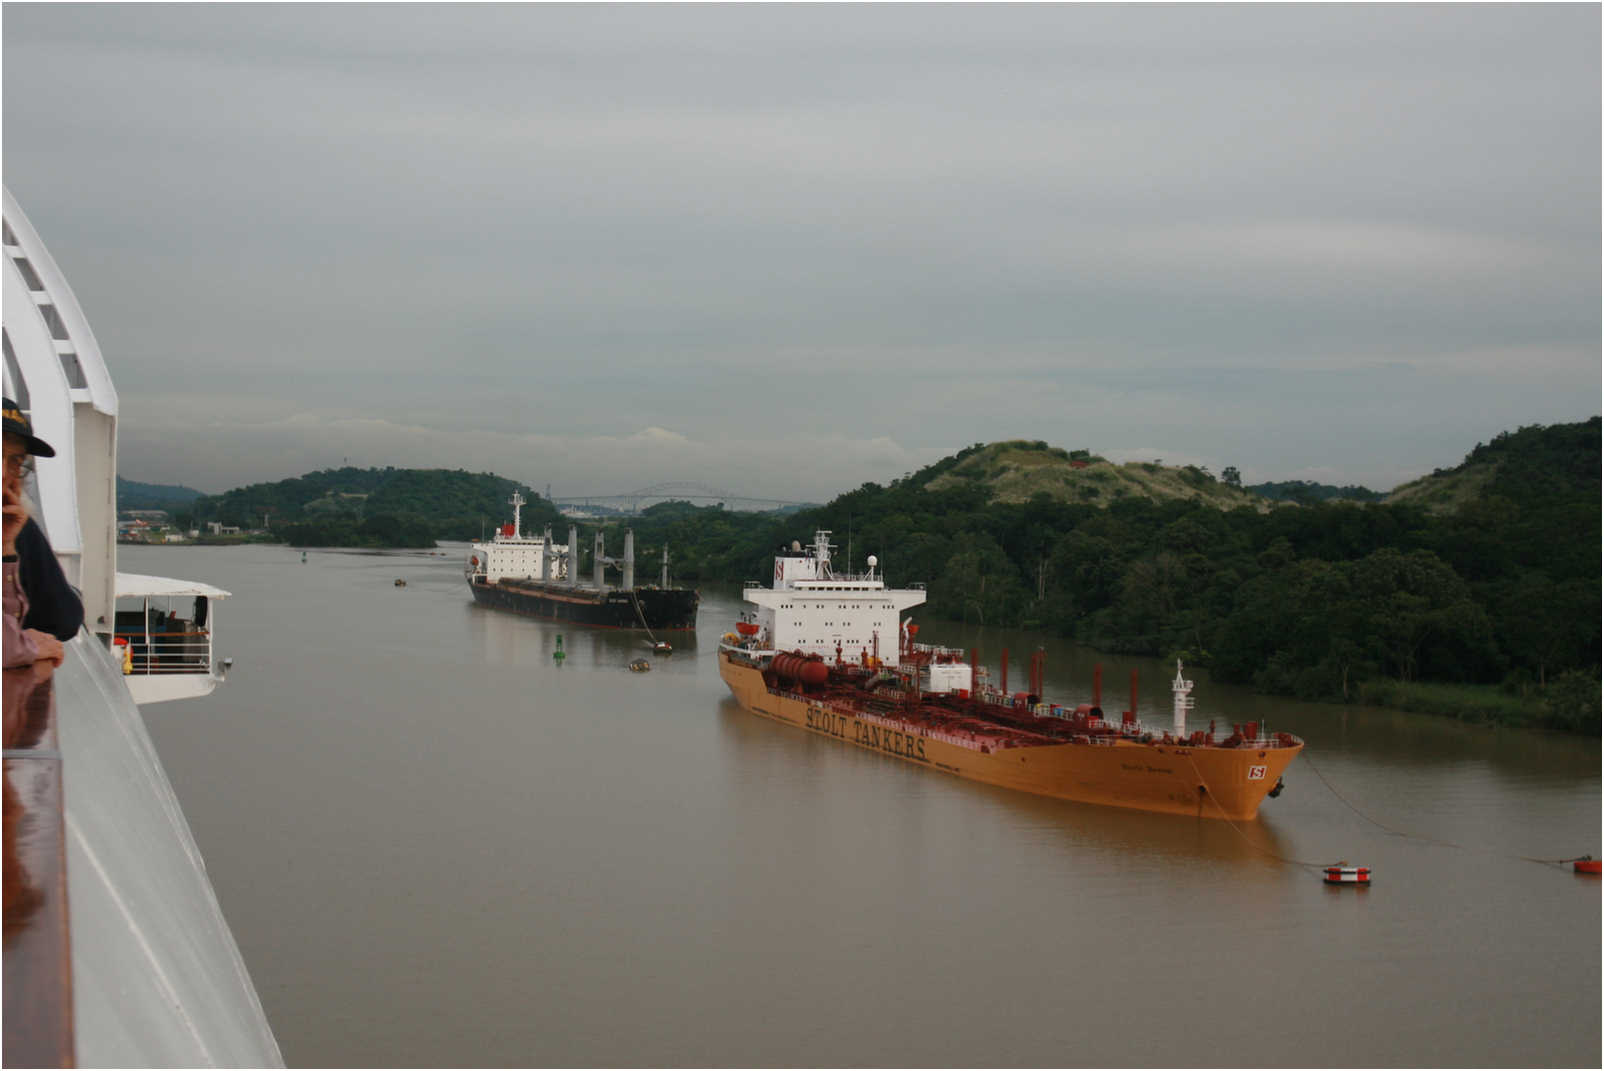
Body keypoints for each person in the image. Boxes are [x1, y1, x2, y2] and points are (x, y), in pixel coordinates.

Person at [3, 398, 81, 675]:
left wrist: (7, 548)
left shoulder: (12, 525)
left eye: (15, 462)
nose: (5, 473)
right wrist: (24, 645)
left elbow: (62, 618)